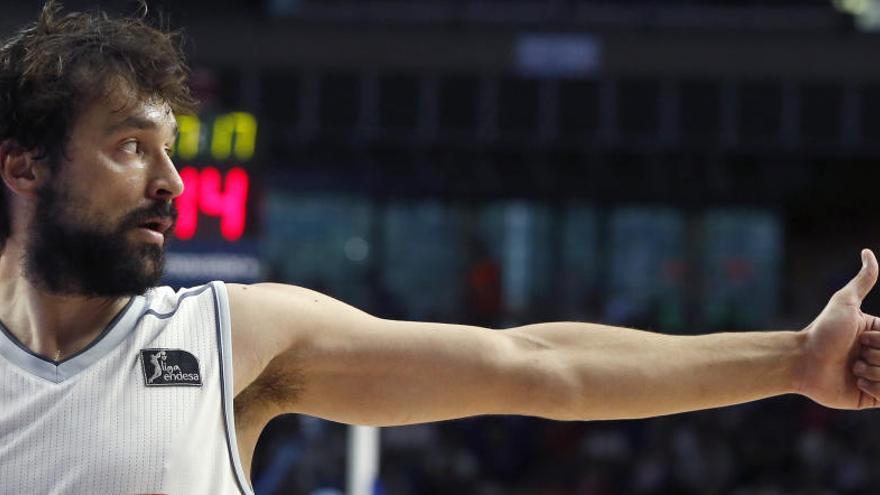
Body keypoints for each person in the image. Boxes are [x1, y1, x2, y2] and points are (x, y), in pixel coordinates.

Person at [2, 2, 880, 494]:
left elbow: (536, 364)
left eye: (172, 152)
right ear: (24, 164)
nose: (174, 182)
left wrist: (795, 360)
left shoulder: (232, 336)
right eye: (130, 148)